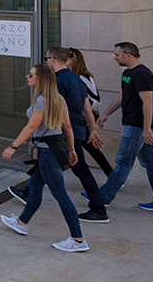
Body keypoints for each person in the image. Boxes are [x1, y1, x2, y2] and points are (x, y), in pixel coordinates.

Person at [9, 48, 109, 224]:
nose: (46, 61)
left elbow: (53, 109)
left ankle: (98, 209)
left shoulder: (58, 81)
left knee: (80, 170)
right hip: (77, 128)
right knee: (45, 167)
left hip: (64, 133)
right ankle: (27, 197)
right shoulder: (77, 79)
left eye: (47, 58)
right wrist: (92, 130)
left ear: (53, 60)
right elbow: (87, 108)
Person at [0, 64, 89, 252]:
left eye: (30, 74)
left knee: (61, 196)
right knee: (35, 187)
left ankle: (78, 239)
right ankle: (22, 222)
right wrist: (71, 150)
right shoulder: (59, 99)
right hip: (55, 151)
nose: (27, 76)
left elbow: (31, 127)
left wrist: (13, 146)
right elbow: (68, 128)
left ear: (40, 80)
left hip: (47, 154)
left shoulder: (41, 101)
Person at [91, 43, 153, 214]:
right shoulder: (128, 74)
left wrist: (146, 129)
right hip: (133, 124)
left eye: (117, 55)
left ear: (128, 55)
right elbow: (122, 95)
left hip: (137, 126)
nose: (115, 57)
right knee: (151, 163)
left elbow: (148, 102)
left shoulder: (142, 74)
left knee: (123, 162)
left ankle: (103, 197)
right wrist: (106, 114)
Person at [68, 48, 114, 177]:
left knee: (91, 149)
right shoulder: (71, 76)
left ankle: (112, 176)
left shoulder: (83, 76)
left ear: (73, 60)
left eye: (67, 58)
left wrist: (80, 105)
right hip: (77, 117)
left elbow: (95, 99)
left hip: (82, 118)